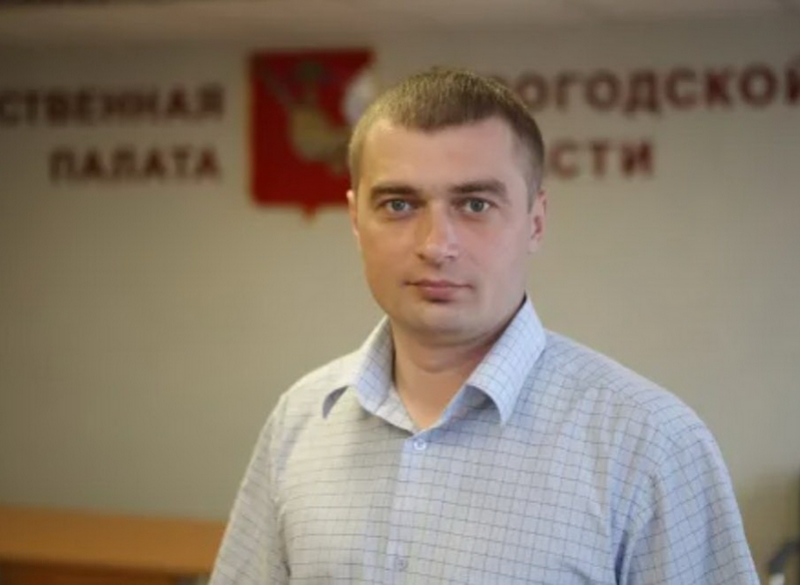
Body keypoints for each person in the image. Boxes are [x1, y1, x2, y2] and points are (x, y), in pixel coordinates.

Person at [210, 67, 758, 584]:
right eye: (399, 205)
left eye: (474, 204)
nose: (435, 245)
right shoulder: (301, 420)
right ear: (356, 221)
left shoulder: (651, 444)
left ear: (535, 222)